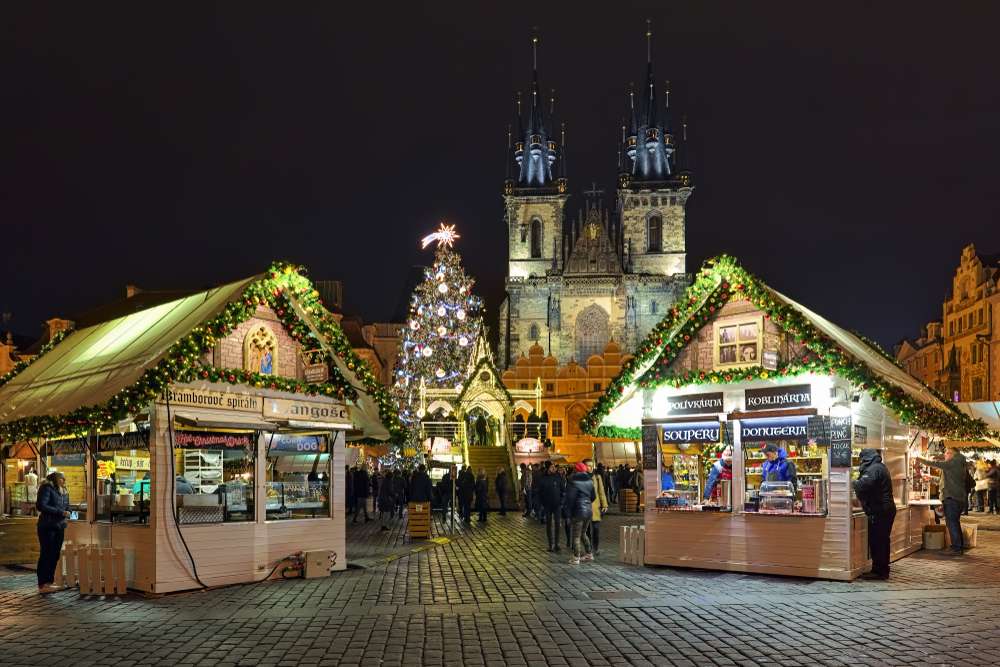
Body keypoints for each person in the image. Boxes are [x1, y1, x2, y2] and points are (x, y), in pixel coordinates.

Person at [852, 448, 897, 579]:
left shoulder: (873, 469)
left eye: (861, 459)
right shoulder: (879, 466)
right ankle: (881, 569)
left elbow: (863, 485)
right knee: (882, 540)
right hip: (884, 509)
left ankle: (880, 572)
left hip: (880, 510)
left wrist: (852, 482)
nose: (860, 462)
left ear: (865, 458)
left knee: (878, 541)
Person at [918, 448, 968, 554]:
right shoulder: (956, 464)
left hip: (952, 498)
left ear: (952, 454)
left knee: (952, 523)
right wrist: (930, 478)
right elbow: (944, 482)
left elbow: (936, 464)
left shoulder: (954, 462)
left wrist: (919, 459)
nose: (945, 455)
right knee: (954, 522)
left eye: (947, 453)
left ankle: (956, 548)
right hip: (955, 497)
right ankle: (958, 546)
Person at [35, 471, 70, 594]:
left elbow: (67, 506)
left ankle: (49, 582)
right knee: (46, 554)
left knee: (55, 554)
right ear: (55, 479)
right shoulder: (46, 488)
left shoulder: (64, 490)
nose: (64, 481)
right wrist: (60, 512)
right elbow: (41, 505)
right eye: (62, 478)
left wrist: (69, 511)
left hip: (59, 526)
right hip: (47, 526)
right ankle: (42, 584)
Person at [564, 462, 596, 564]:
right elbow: (593, 497)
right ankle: (589, 554)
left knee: (576, 535)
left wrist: (567, 513)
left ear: (576, 470)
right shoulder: (590, 481)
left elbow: (570, 499)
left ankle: (576, 557)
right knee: (583, 533)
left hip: (578, 511)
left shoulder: (572, 481)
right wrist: (587, 502)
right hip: (588, 510)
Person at [537, 461, 563, 552]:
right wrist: (542, 503)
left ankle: (557, 543)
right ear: (548, 468)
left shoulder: (558, 477)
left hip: (557, 505)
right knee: (548, 525)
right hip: (547, 505)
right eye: (552, 467)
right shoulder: (542, 478)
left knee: (557, 524)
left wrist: (561, 501)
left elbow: (563, 490)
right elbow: (539, 492)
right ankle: (550, 544)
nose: (554, 469)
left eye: (554, 467)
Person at [584, 458, 609, 557]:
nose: (590, 467)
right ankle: (589, 548)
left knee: (596, 529)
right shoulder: (581, 477)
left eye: (591, 465)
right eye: (587, 465)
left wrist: (604, 504)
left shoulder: (597, 477)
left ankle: (596, 548)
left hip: (595, 507)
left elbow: (601, 492)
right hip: (584, 507)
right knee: (586, 530)